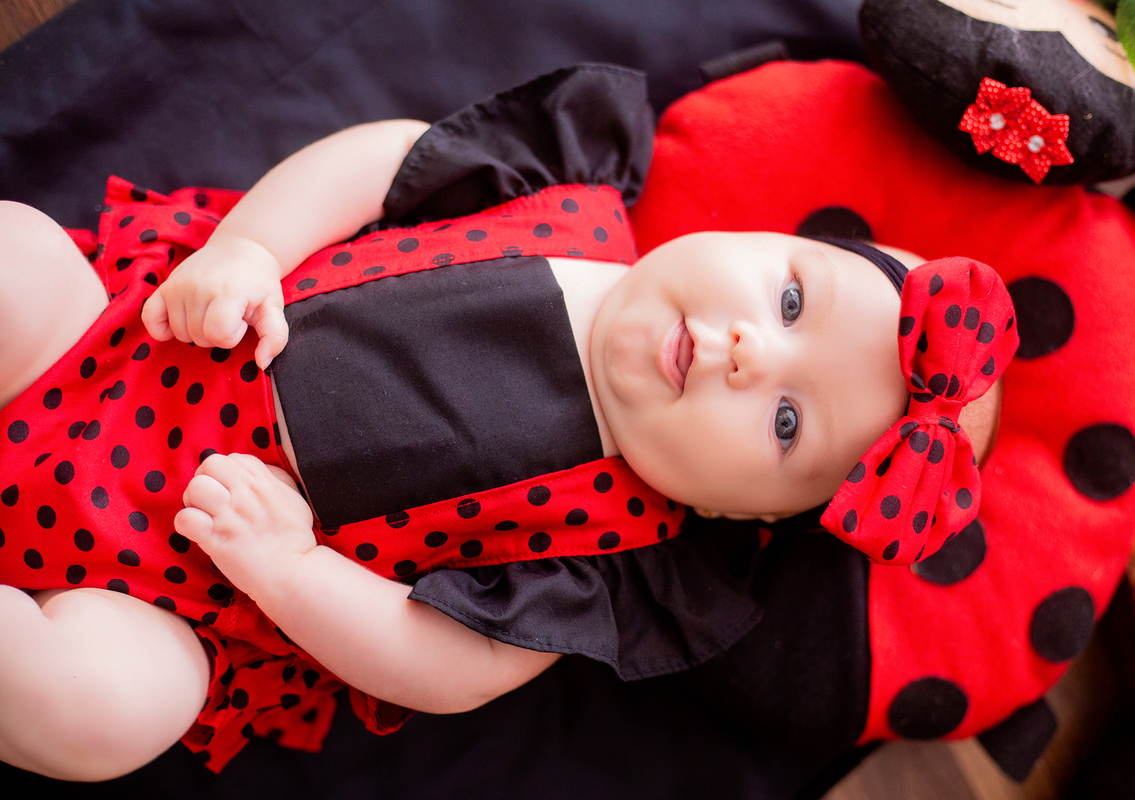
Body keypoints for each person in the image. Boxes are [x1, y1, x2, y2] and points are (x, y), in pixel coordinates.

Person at [0, 65, 1014, 781]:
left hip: (168, 579)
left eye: (788, 421)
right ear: (766, 236)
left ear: (733, 509)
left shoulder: (609, 557)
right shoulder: (568, 195)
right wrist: (249, 249)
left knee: (109, 712)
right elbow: (381, 165)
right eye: (792, 302)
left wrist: (288, 569)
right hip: (124, 336)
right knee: (22, 260)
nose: (753, 350)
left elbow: (440, 668)